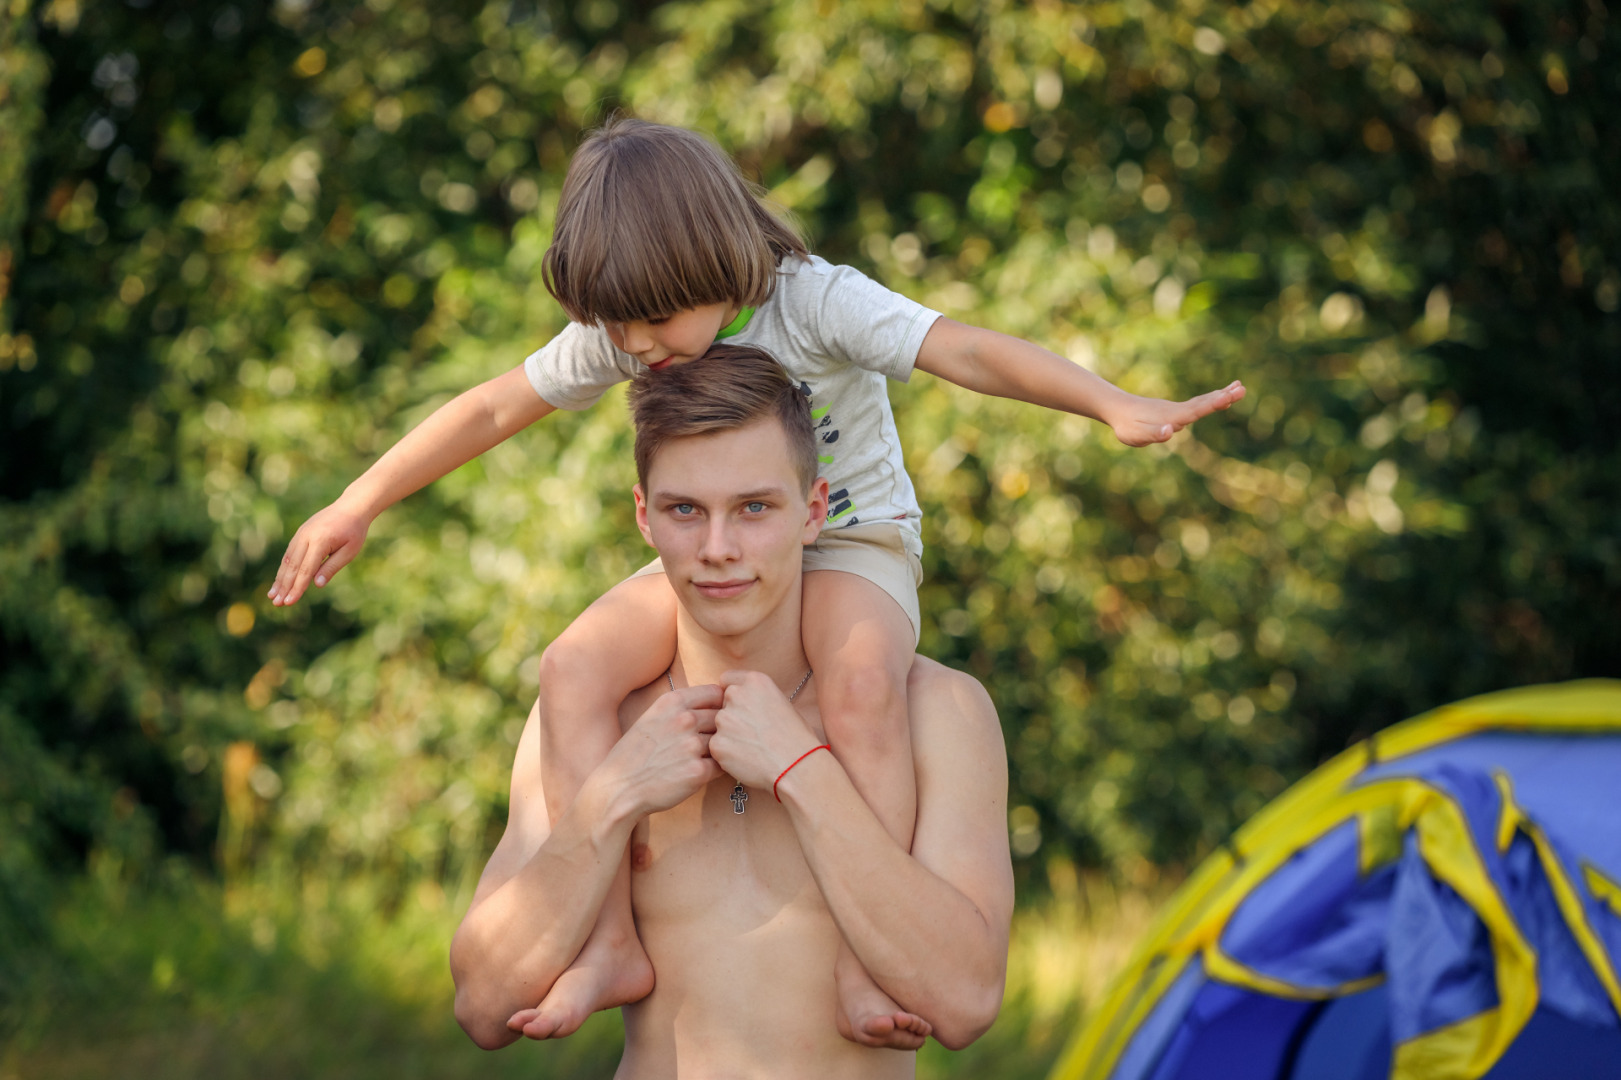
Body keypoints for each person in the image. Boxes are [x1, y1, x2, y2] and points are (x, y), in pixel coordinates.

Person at [267, 117, 1243, 1043]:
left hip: (855, 539)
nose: (636, 348)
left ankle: (870, 960)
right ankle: (605, 938)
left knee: (860, 682)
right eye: (615, 327)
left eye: (650, 322)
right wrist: (358, 502)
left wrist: (1106, 402)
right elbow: (490, 410)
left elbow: (965, 348)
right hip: (728, 548)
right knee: (571, 665)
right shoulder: (634, 326)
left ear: (712, 262)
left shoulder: (815, 300)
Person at [449, 345, 1014, 1076]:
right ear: (644, 518)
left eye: (754, 508)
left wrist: (803, 773)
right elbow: (484, 1005)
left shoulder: (936, 711)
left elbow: (964, 1001)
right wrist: (611, 798)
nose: (718, 549)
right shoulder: (600, 722)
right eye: (685, 510)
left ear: (812, 512)